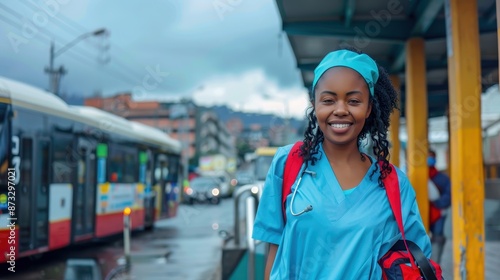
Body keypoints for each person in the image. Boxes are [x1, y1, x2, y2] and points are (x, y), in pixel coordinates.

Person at [252, 48, 432, 279]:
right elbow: (273, 250)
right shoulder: (288, 164)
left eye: (354, 100)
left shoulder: (393, 184)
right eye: (328, 100)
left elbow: (416, 258)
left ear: (369, 108)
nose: (340, 110)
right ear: (315, 105)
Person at [427, 150, 451, 264]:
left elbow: (449, 194)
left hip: (438, 214)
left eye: (431, 157)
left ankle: (435, 264)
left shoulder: (442, 178)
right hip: (421, 213)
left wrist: (437, 202)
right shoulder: (414, 175)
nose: (429, 160)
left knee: (438, 237)